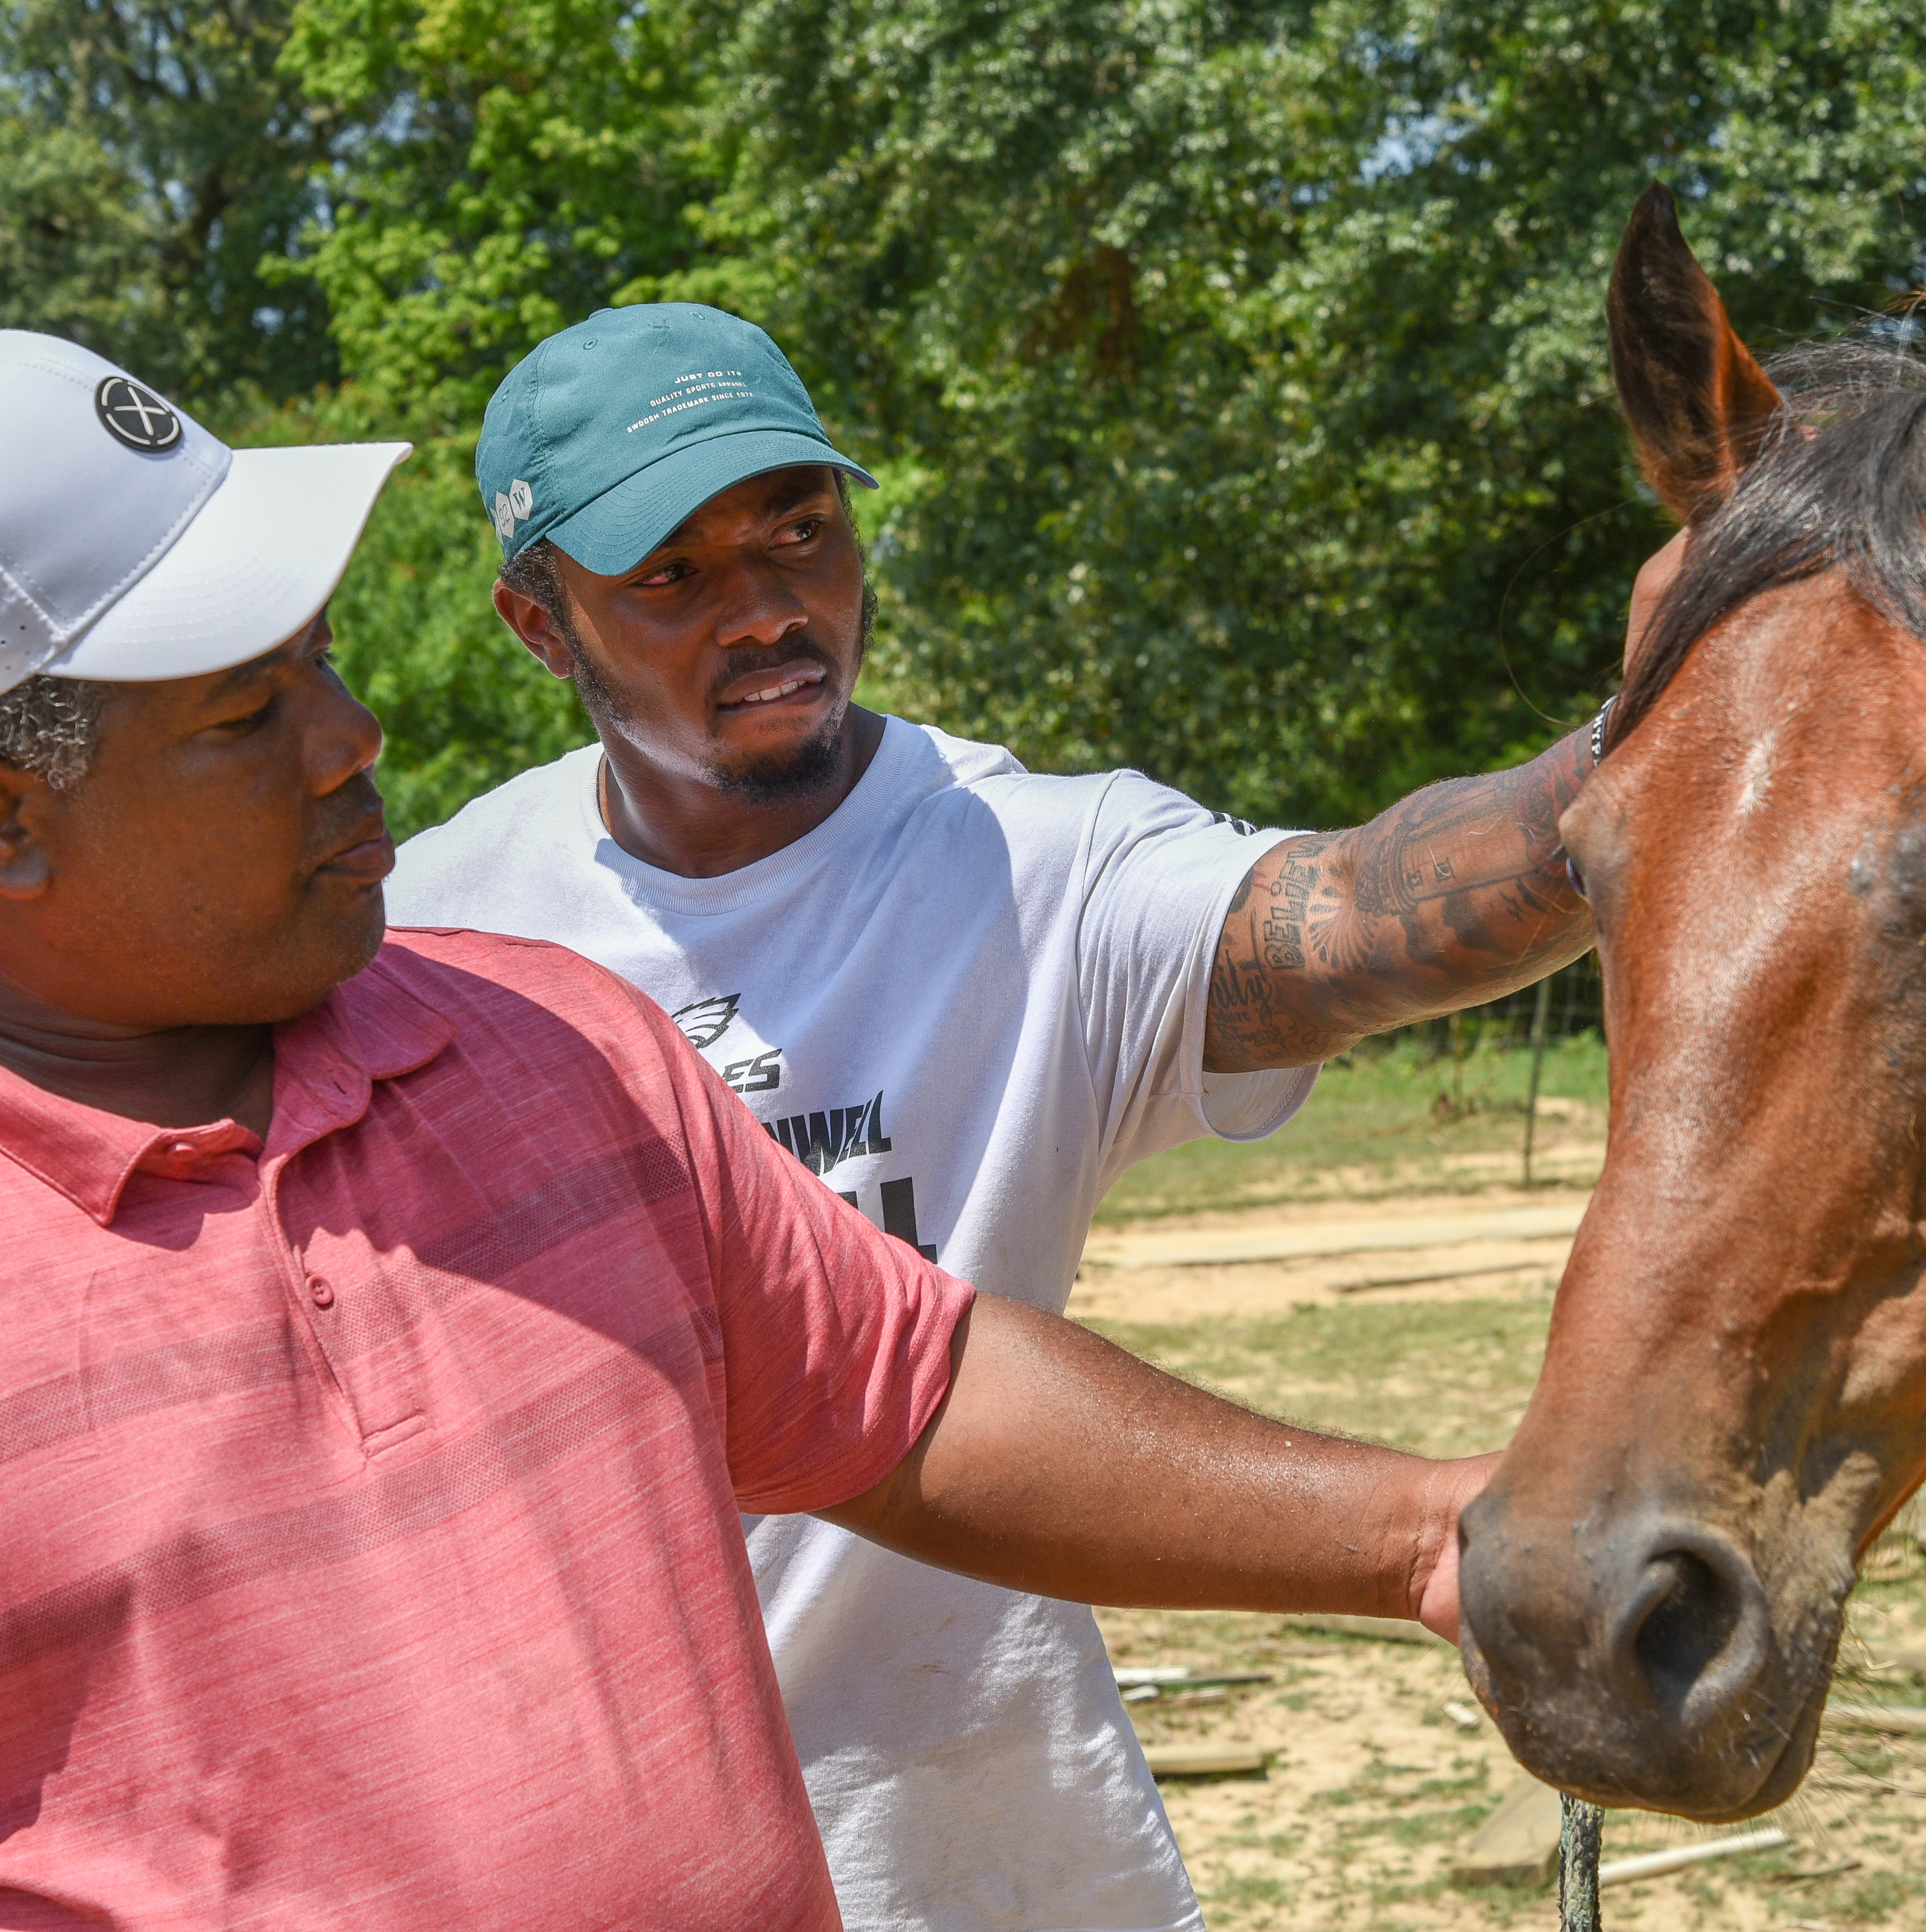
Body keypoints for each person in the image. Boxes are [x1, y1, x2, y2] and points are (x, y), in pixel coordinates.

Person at [0, 330, 1492, 1928]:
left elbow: (908, 1392)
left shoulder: (549, 1042)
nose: (352, 733)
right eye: (243, 708)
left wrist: (1430, 1540)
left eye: (319, 662)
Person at [385, 303, 1607, 1932]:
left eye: (800, 529)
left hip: (993, 1858)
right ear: (541, 626)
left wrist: (1671, 738)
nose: (767, 607)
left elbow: (1371, 914)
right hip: (578, 1864)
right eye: (671, 572)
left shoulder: (1029, 868)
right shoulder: (425, 943)